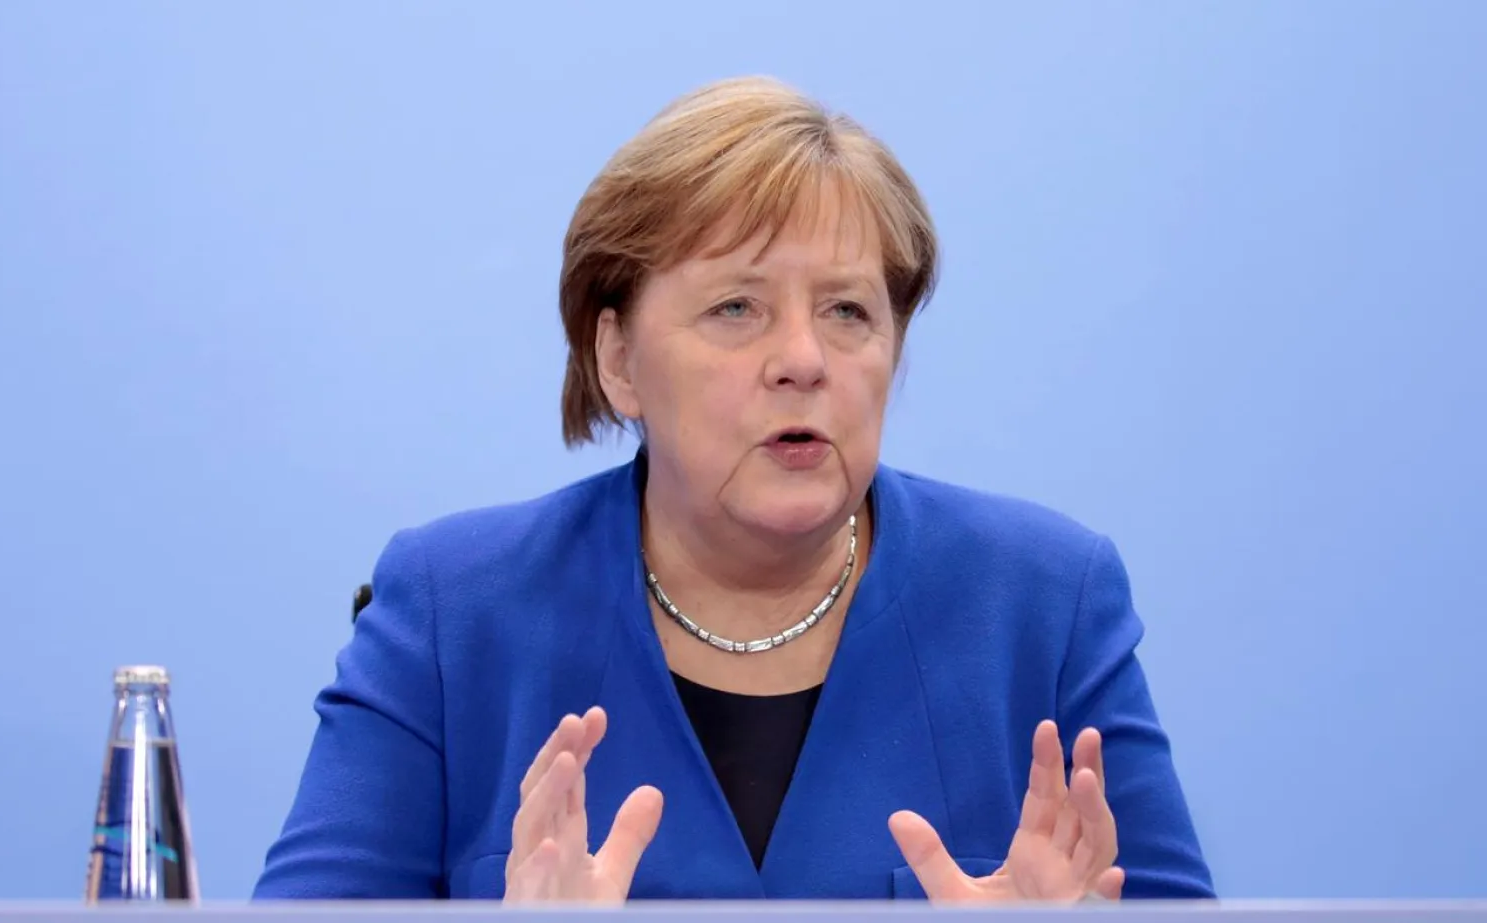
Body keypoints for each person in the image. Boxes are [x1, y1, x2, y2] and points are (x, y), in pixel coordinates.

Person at [252, 75, 1216, 903]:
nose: (802, 359)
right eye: (736, 307)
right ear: (618, 357)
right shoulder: (452, 613)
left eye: (847, 310)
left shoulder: (1047, 604)